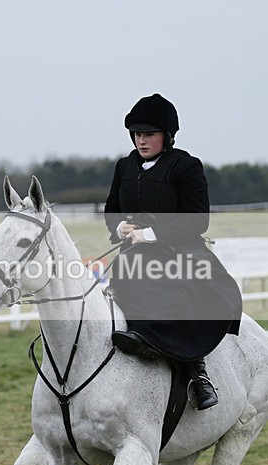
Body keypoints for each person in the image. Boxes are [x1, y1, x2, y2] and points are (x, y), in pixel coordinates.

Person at [104, 93, 242, 410]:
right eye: (137, 134)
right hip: (135, 253)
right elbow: (112, 209)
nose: (142, 140)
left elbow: (198, 220)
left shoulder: (185, 166)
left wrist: (150, 234)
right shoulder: (125, 167)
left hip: (181, 249)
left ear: (166, 136)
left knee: (177, 291)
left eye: (149, 134)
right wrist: (120, 228)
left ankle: (198, 374)